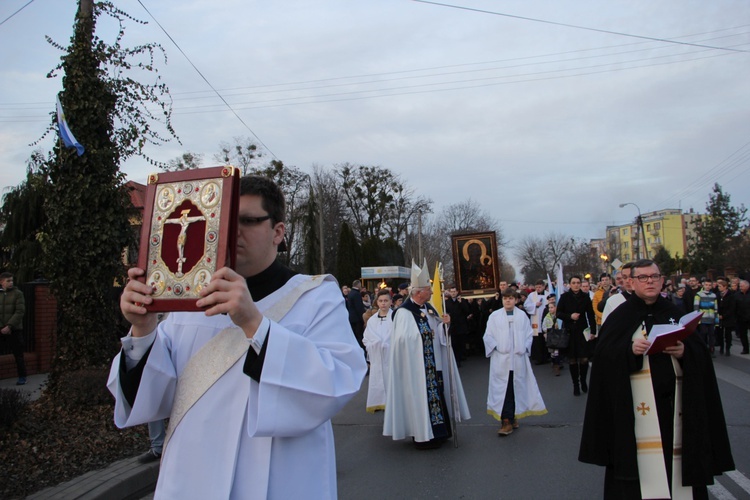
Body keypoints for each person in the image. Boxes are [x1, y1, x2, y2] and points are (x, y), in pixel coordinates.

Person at [107, 175, 367, 499]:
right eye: (227, 221)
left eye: (247, 220)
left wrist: (254, 323)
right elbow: (157, 395)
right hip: (192, 478)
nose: (234, 232)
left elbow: (339, 380)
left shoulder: (315, 295)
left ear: (278, 232)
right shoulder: (191, 300)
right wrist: (143, 329)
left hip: (281, 479)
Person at [579, 260, 734, 499]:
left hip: (675, 411)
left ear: (662, 281)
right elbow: (604, 358)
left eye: (654, 276)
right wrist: (628, 350)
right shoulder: (620, 316)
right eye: (643, 277)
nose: (650, 281)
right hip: (634, 415)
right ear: (631, 282)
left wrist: (685, 353)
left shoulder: (674, 312)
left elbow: (700, 356)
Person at [383, 260, 471, 449]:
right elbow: (401, 341)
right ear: (419, 292)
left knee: (436, 394)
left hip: (433, 363)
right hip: (415, 366)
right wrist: (422, 336)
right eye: (429, 289)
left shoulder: (430, 309)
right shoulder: (404, 313)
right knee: (421, 398)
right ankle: (423, 436)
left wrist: (444, 325)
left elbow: (438, 333)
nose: (432, 292)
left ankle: (439, 432)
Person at [484, 288, 547, 436]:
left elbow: (528, 335)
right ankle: (506, 420)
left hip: (517, 359)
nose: (508, 300)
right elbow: (488, 336)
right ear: (502, 300)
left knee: (515, 388)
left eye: (511, 298)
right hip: (501, 360)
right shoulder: (495, 316)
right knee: (503, 390)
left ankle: (512, 416)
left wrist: (523, 347)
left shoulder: (522, 316)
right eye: (505, 298)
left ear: (516, 300)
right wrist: (498, 347)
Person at [556, 275, 596, 396]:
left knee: (584, 358)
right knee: (572, 359)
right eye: (574, 283)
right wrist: (570, 316)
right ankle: (575, 384)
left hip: (582, 330)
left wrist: (593, 331)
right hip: (569, 331)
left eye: (578, 282)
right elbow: (558, 313)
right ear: (570, 284)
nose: (576, 285)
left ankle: (583, 380)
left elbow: (590, 314)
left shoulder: (585, 297)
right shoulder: (564, 297)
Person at [363, 289, 393, 413]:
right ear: (377, 303)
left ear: (391, 302)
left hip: (391, 357)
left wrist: (388, 344)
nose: (383, 303)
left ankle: (392, 403)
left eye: (386, 301)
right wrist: (373, 344)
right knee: (378, 382)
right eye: (380, 301)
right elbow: (366, 338)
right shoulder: (372, 320)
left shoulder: (396, 318)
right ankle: (379, 402)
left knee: (391, 382)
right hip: (377, 357)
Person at [0, 272, 27, 386]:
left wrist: (9, 326)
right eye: (8, 281)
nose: (11, 283)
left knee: (18, 355)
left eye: (12, 280)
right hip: (1, 328)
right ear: (1, 282)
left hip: (14, 329)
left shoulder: (18, 294)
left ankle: (22, 376)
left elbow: (20, 311)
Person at [523, 280, 549, 365]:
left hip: (545, 318)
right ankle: (538, 358)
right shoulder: (531, 295)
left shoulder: (548, 294)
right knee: (537, 339)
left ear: (543, 287)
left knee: (545, 338)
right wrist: (534, 305)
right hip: (536, 319)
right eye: (537, 287)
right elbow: (526, 305)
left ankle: (547, 357)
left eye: (540, 287)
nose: (538, 289)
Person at [445, 286, 470, 365]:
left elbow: (467, 311)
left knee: (461, 343)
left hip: (461, 326)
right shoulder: (447, 302)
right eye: (451, 291)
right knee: (454, 344)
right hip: (452, 326)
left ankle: (460, 357)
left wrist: (461, 303)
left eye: (454, 291)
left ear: (457, 292)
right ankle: (456, 360)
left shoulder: (462, 301)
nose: (453, 293)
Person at [694, 277, 719, 357]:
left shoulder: (713, 295)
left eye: (709, 285)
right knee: (703, 334)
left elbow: (716, 308)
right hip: (703, 319)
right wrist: (697, 320)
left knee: (711, 335)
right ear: (703, 285)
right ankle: (703, 350)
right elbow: (696, 308)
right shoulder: (698, 295)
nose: (708, 286)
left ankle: (711, 350)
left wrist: (716, 320)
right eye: (706, 285)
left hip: (711, 319)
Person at [716, 278, 737, 356]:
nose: (719, 288)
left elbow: (732, 307)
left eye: (720, 286)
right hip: (719, 317)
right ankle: (721, 347)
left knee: (728, 334)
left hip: (728, 318)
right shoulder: (718, 295)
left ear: (725, 287)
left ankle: (728, 348)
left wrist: (724, 315)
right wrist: (718, 314)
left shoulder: (731, 295)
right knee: (720, 333)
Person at [347, 279, 367, 355]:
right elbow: (359, 307)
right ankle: (360, 350)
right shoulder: (356, 294)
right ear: (358, 285)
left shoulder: (351, 293)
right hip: (357, 318)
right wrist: (363, 317)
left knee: (355, 334)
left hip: (352, 318)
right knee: (359, 335)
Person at [736, 280, 750, 354]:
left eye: (742, 286)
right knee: (743, 334)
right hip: (741, 318)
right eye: (740, 286)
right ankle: (745, 349)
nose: (740, 288)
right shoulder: (737, 295)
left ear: (747, 286)